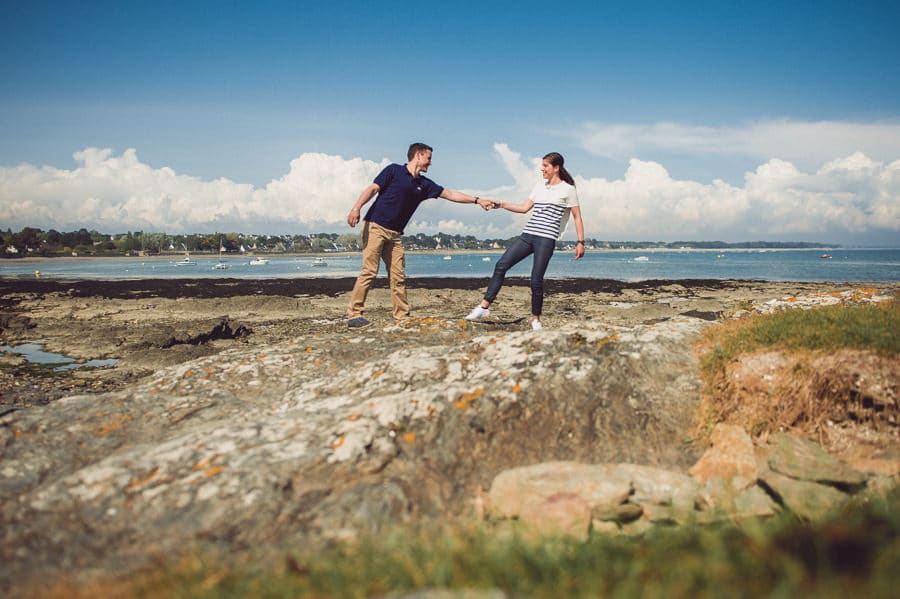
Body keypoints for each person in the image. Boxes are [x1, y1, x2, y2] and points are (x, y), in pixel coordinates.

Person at [346, 142, 492, 328]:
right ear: (418, 155)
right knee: (369, 271)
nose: (430, 163)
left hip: (395, 235)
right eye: (428, 158)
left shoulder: (424, 184)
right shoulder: (393, 171)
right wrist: (356, 208)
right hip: (375, 226)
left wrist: (478, 200)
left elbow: (451, 194)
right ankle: (354, 314)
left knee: (398, 276)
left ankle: (402, 316)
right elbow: (373, 189)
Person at [464, 151, 585, 330]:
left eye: (545, 166)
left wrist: (581, 242)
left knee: (536, 280)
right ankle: (484, 307)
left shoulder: (568, 189)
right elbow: (523, 208)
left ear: (556, 168)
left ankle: (535, 319)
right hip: (528, 235)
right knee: (501, 265)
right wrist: (502, 204)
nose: (542, 169)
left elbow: (577, 217)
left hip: (546, 239)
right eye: (542, 165)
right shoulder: (539, 186)